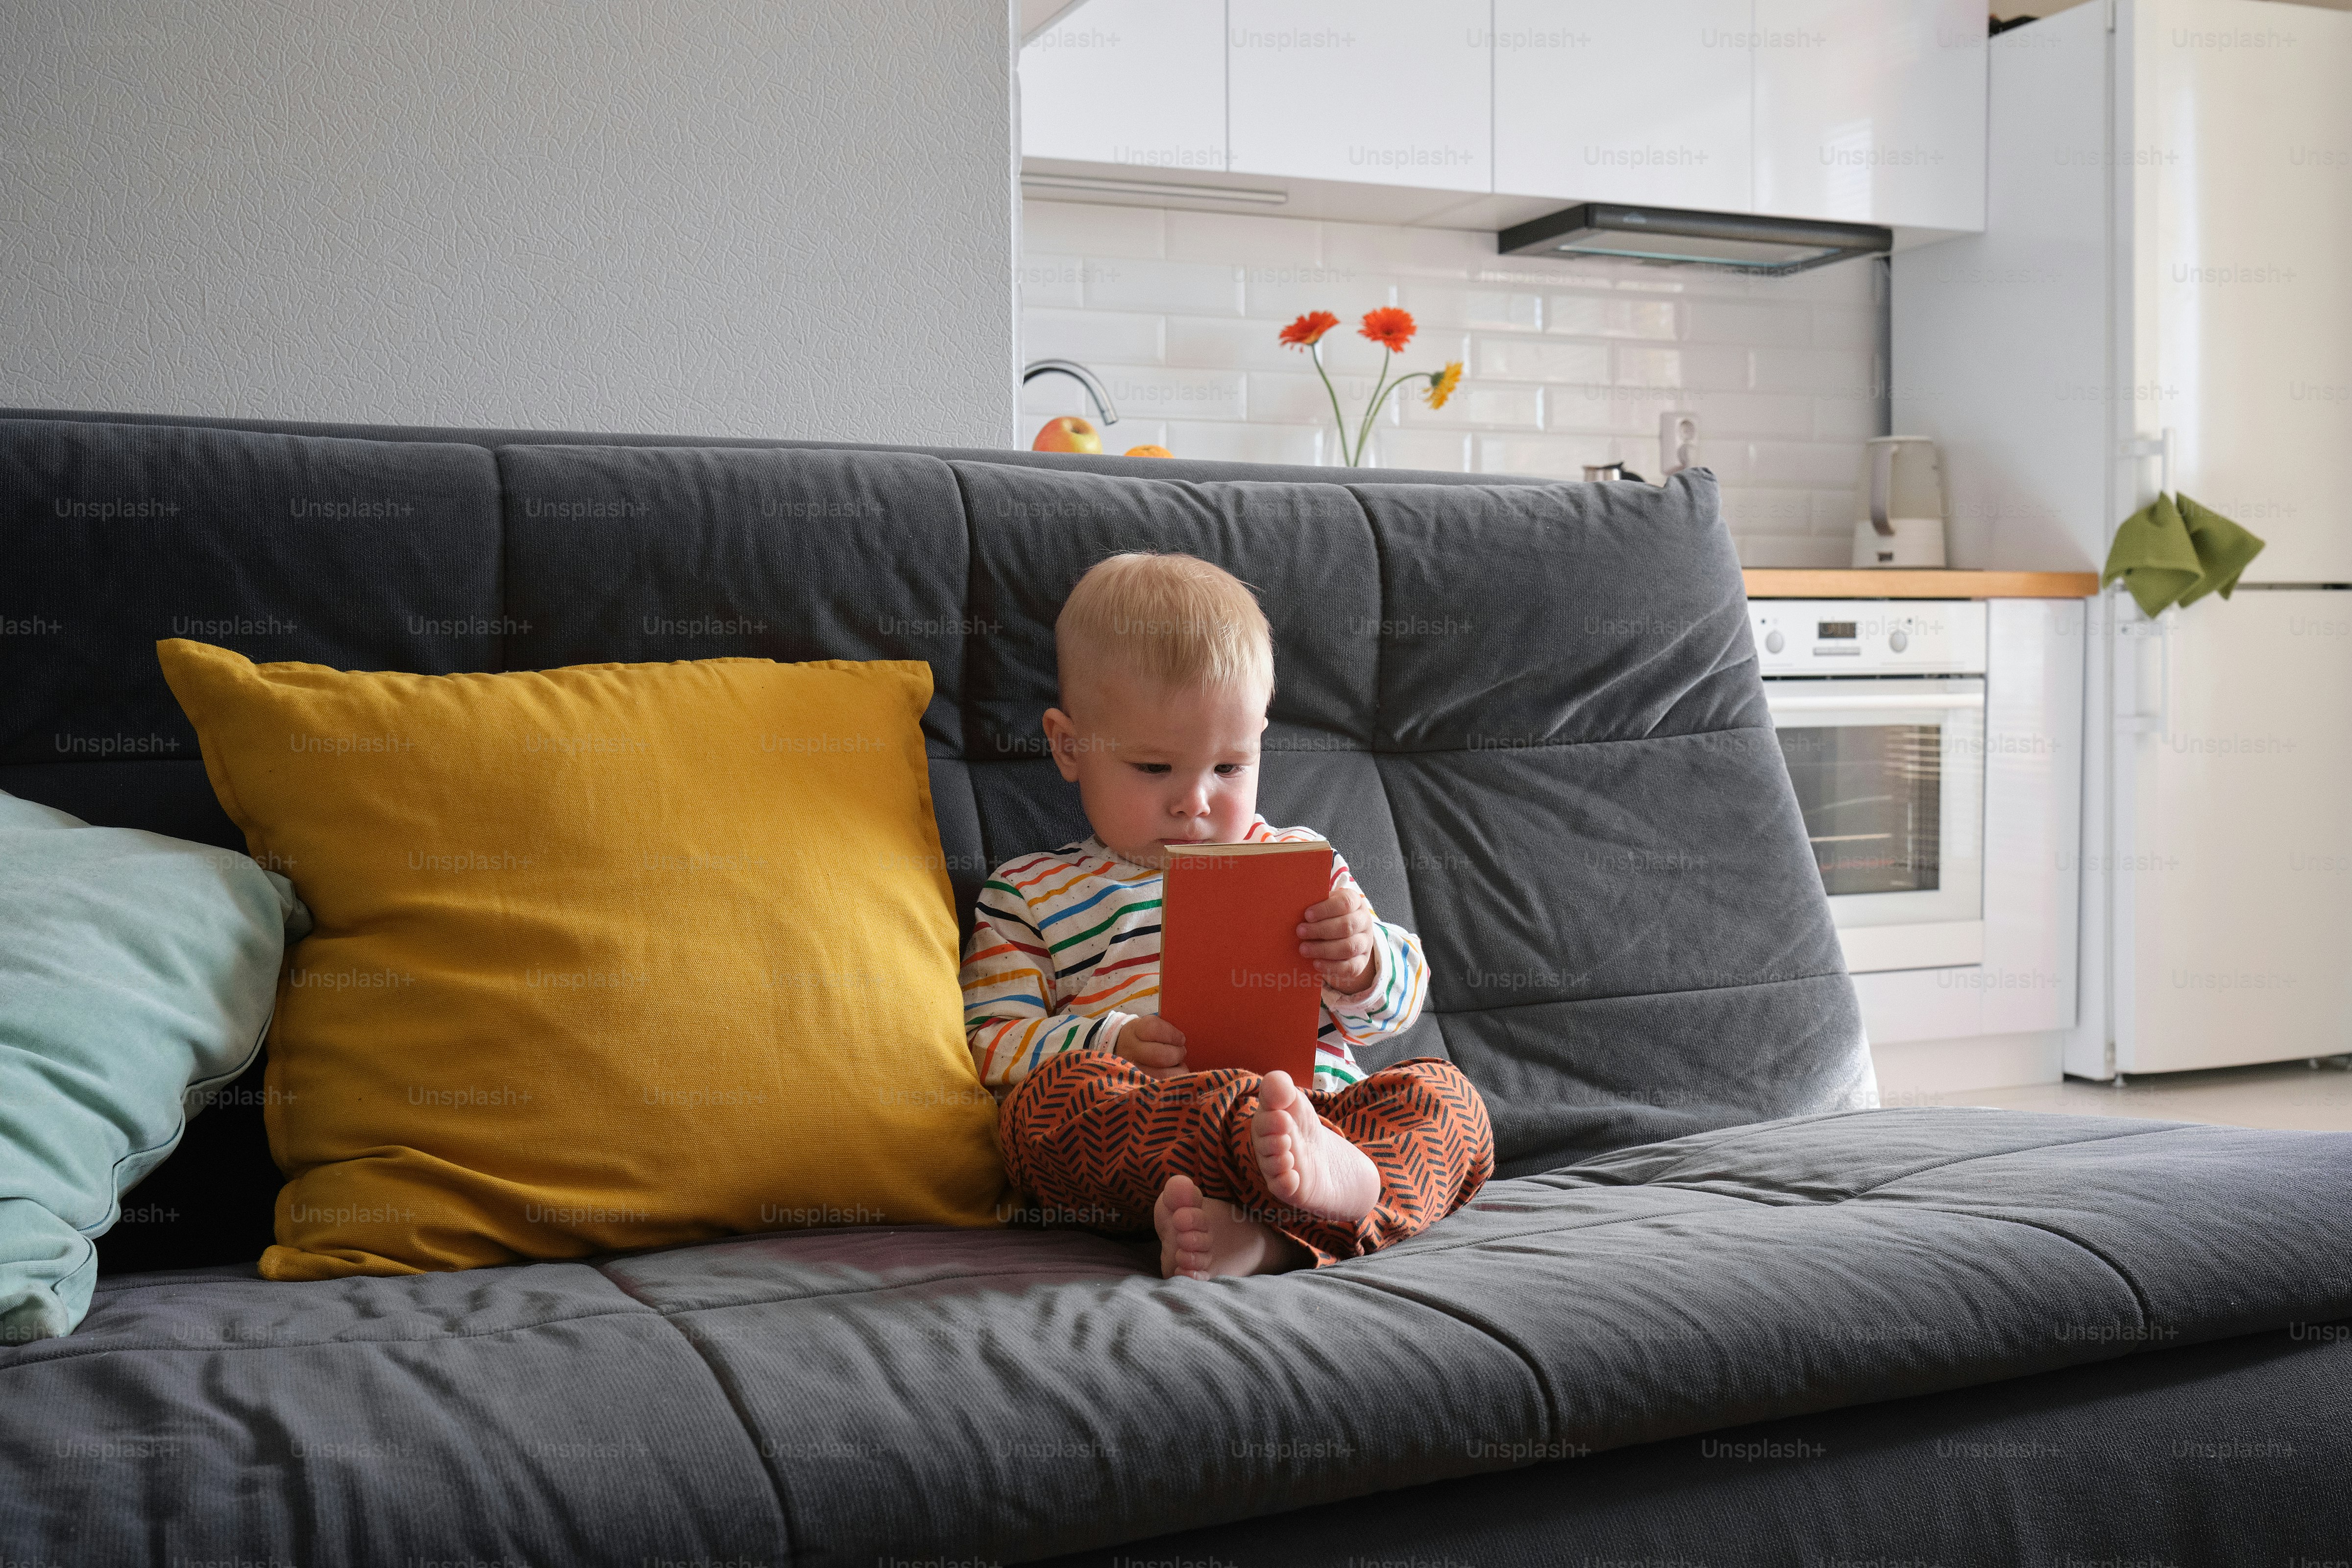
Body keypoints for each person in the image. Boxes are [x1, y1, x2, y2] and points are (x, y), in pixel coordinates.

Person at [959, 551, 1493, 1279]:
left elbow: (1391, 1013)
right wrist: (1109, 1042)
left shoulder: (1300, 861)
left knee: (1447, 1100)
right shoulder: (1029, 893)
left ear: (1260, 740)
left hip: (1313, 1120)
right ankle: (1298, 1212)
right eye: (1155, 768)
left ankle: (1286, 1226)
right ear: (1068, 745)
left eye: (1230, 767)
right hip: (1156, 1133)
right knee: (1040, 1114)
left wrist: (1362, 961)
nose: (1196, 802)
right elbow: (988, 1048)